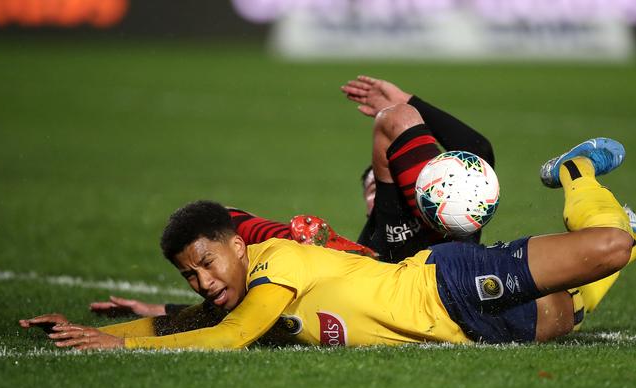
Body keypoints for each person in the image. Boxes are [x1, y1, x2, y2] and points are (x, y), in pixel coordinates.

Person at [20, 114, 635, 349]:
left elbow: (230, 334)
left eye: (206, 263)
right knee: (572, 307)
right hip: (470, 332)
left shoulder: (277, 263)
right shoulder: (253, 291)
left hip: (446, 287)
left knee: (610, 248)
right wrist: (94, 330)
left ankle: (573, 173)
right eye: (190, 276)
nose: (202, 282)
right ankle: (607, 205)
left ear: (240, 245)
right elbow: (190, 324)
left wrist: (119, 346)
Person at [89, 75, 497, 318]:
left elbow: (478, 148)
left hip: (448, 280)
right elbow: (230, 241)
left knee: (398, 120)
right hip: (401, 289)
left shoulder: (440, 212)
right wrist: (163, 311)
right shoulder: (380, 234)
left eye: (378, 181)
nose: (374, 189)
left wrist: (408, 102)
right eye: (370, 185)